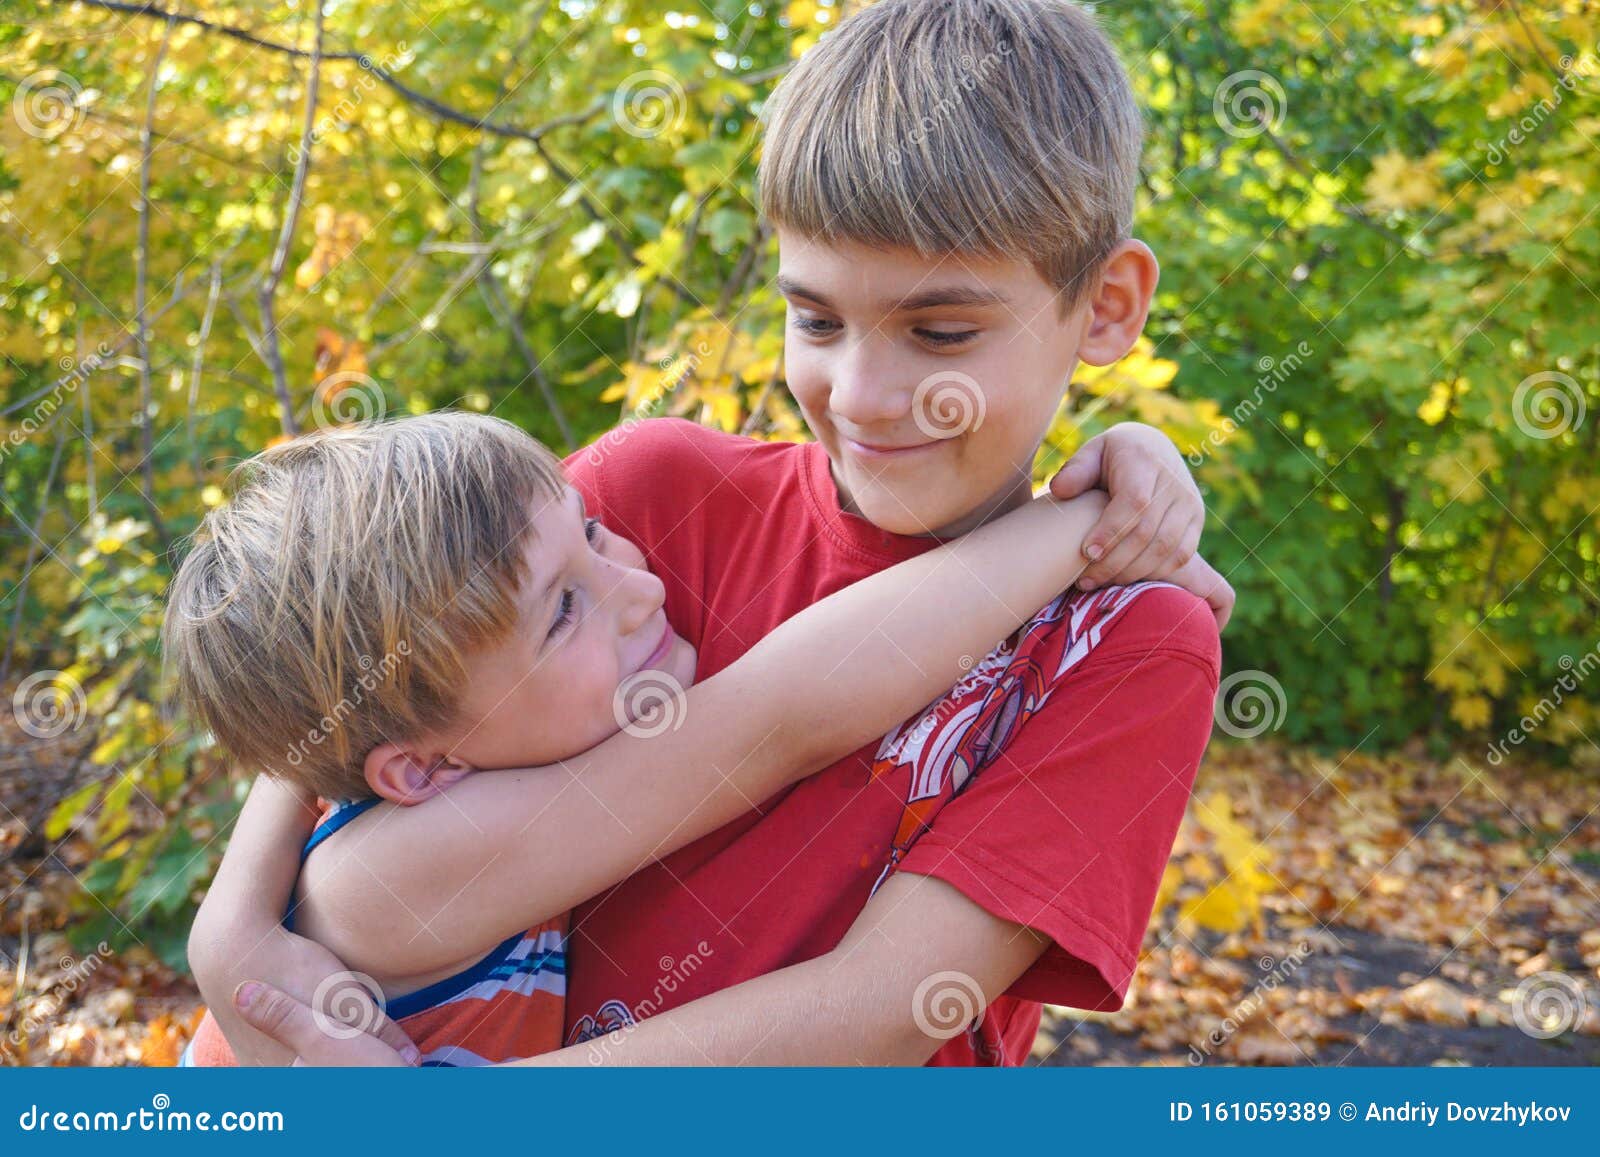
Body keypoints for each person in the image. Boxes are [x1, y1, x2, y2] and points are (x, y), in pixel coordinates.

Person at [189, 0, 1229, 1066]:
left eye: (940, 331)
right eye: (815, 319)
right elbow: (357, 663)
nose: (860, 395)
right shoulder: (644, 500)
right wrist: (228, 929)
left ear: (1107, 307)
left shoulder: (1130, 640)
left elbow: (890, 1004)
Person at [168, 411, 1122, 1066]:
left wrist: (227, 924)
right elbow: (783, 714)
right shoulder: (400, 874)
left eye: (593, 531)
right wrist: (1092, 517)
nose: (639, 585)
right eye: (563, 612)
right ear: (418, 768)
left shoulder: (416, 776)